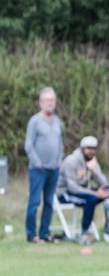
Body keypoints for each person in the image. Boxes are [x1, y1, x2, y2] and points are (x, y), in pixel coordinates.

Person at [56, 136, 109, 243]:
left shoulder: (92, 162)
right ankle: (84, 232)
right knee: (91, 199)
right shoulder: (70, 161)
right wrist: (95, 193)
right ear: (82, 149)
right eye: (88, 148)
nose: (91, 151)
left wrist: (94, 171)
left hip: (83, 192)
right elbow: (72, 187)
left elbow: (104, 183)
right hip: (66, 194)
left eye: (93, 149)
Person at [24, 87, 63, 243]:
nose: (50, 103)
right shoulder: (35, 121)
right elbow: (28, 145)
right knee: (35, 201)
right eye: (47, 100)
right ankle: (31, 234)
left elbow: (59, 142)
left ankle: (45, 232)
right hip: (38, 169)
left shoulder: (57, 121)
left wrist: (59, 158)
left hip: (53, 168)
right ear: (40, 102)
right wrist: (37, 162)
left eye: (52, 100)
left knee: (49, 202)